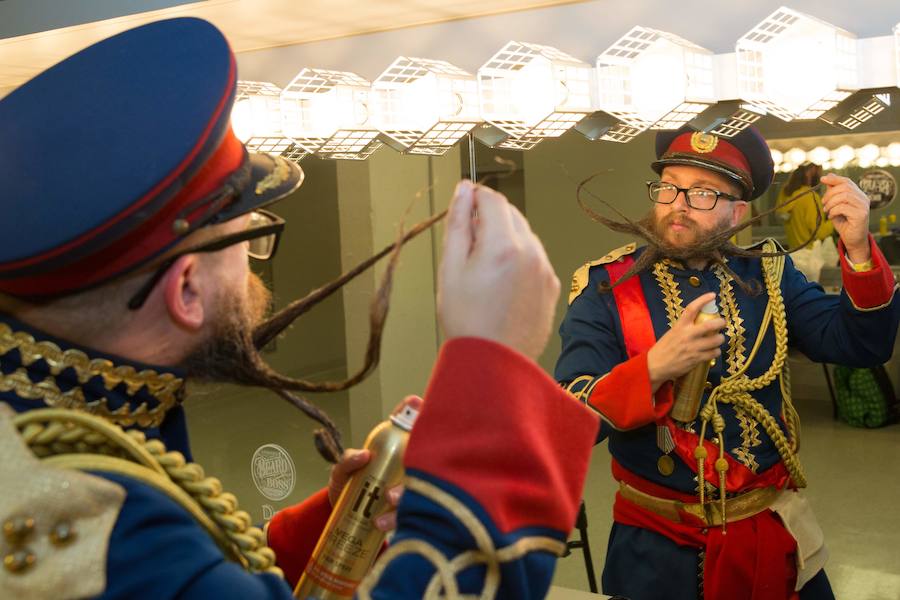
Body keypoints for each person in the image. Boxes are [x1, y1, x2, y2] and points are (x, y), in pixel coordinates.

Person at [0, 18, 599, 599]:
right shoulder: (106, 531)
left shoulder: (61, 430)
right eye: (248, 239)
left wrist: (337, 523)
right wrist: (497, 370)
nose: (256, 267)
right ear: (185, 291)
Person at [556, 124, 900, 600]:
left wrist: (859, 250)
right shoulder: (604, 288)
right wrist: (655, 367)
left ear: (738, 212)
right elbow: (569, 419)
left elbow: (860, 345)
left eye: (701, 193)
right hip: (656, 554)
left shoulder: (769, 273)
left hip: (771, 532)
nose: (678, 204)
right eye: (670, 187)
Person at [775, 162, 835, 249]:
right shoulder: (810, 197)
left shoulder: (786, 193)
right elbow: (819, 232)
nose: (821, 175)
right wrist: (834, 220)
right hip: (810, 258)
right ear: (812, 169)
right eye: (820, 170)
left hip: (793, 254)